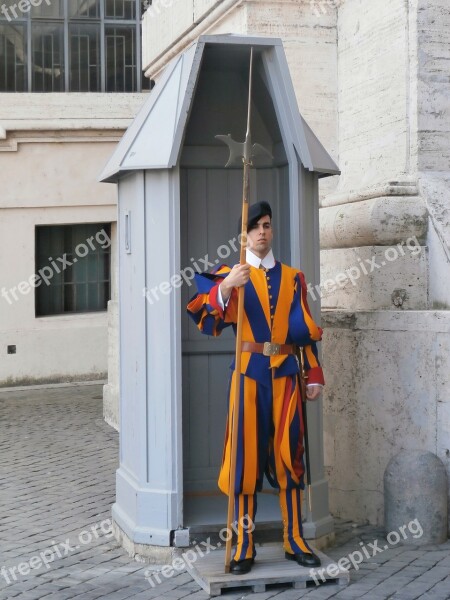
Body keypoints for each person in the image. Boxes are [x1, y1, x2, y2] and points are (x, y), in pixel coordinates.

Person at [186, 201, 324, 574]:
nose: (262, 231)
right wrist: (227, 287)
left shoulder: (294, 277)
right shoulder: (232, 275)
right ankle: (243, 545)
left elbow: (303, 332)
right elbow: (204, 317)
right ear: (243, 236)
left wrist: (312, 375)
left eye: (266, 225)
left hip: (286, 376)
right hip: (247, 376)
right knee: (245, 461)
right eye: (254, 227)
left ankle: (294, 539)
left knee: (290, 459)